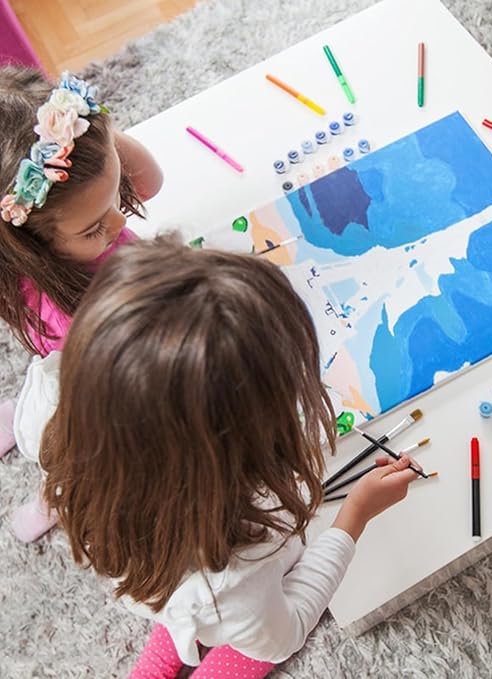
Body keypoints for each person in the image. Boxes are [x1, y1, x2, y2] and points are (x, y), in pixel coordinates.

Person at [40, 237, 420, 678]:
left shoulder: (66, 432)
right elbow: (286, 631)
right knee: (242, 642)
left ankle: (170, 642)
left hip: (165, 575)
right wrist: (354, 515)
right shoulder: (237, 580)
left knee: (183, 606)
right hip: (220, 599)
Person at [0, 65, 163, 541]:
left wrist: (97, 138)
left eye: (113, 198)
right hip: (83, 361)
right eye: (94, 228)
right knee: (77, 441)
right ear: (26, 245)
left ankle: (32, 420)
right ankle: (56, 486)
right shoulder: (40, 288)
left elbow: (150, 182)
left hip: (99, 350)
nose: (120, 222)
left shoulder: (76, 217)